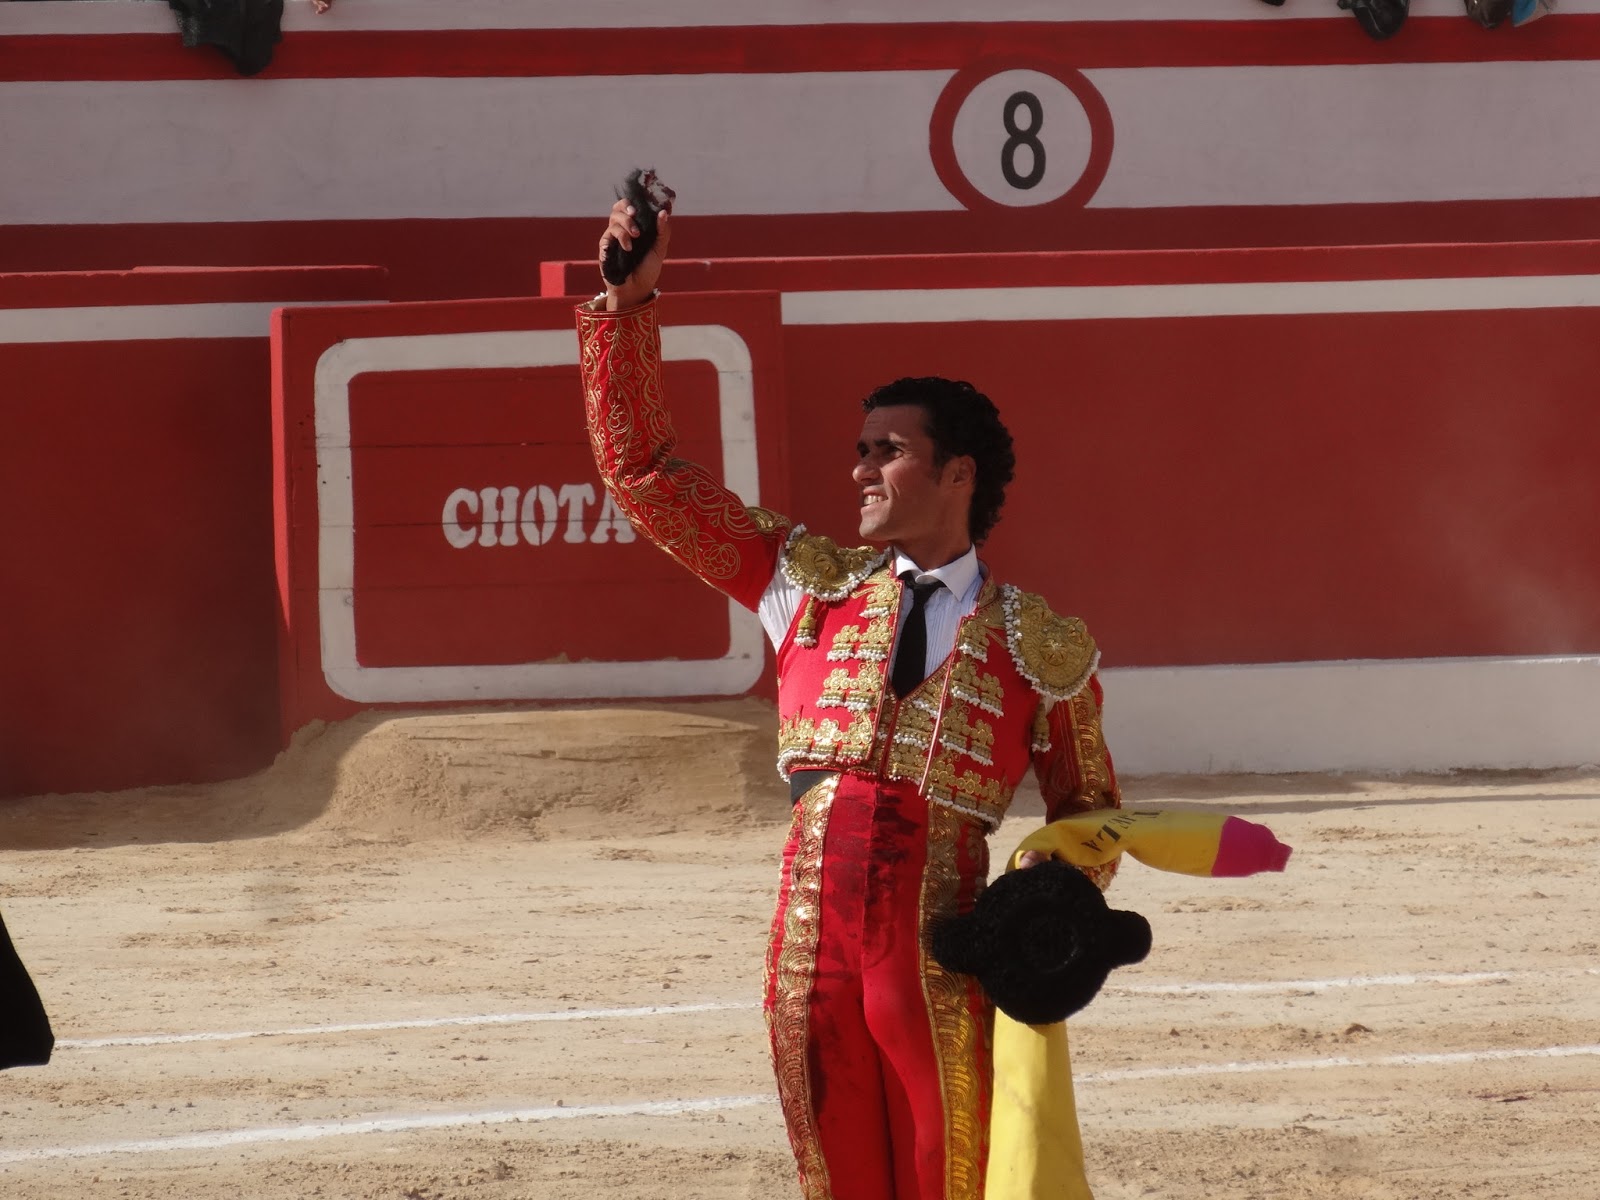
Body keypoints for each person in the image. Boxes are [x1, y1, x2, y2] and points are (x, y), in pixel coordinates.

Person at [576, 197, 1121, 1200]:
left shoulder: (1043, 646)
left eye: (887, 450)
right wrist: (628, 305)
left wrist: (1047, 892)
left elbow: (1091, 812)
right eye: (861, 448)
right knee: (835, 1174)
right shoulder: (802, 576)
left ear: (955, 474)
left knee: (945, 1170)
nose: (860, 468)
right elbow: (644, 474)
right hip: (808, 938)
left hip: (949, 948)